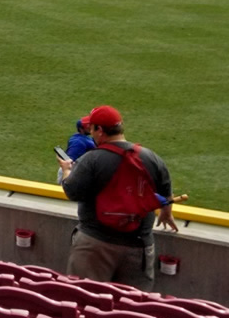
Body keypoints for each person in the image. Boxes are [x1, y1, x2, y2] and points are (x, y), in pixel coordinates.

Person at [58, 106, 179, 291]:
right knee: (132, 310)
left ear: (100, 130)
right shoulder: (150, 157)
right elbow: (166, 191)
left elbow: (72, 191)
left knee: (85, 303)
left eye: (92, 129)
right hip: (138, 245)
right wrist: (166, 212)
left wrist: (66, 170)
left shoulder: (91, 159)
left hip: (94, 244)